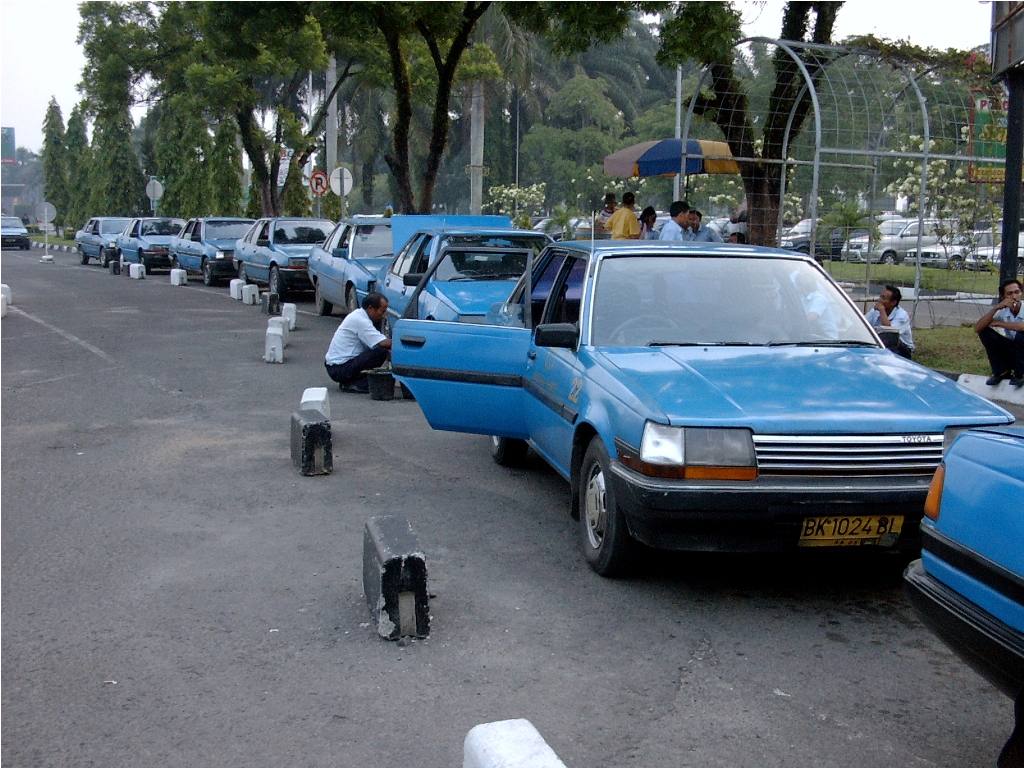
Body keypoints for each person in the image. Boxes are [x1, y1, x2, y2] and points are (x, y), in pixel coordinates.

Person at [324, 292, 393, 393]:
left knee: (380, 350)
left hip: (337, 366)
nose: (383, 315)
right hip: (339, 368)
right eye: (381, 312)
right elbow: (383, 343)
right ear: (370, 308)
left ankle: (355, 380)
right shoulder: (360, 320)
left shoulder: (359, 315)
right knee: (381, 351)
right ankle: (356, 383)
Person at [974, 278, 1024, 386]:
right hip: (1015, 351)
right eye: (1009, 294)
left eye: (1017, 292)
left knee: (1021, 335)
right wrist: (996, 308)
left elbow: (1022, 327)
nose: (1014, 297)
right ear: (1003, 297)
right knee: (985, 332)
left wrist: (1000, 324)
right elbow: (977, 328)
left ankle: (1020, 375)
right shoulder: (1003, 312)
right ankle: (1002, 371)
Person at [864, 284, 914, 359]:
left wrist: (882, 310)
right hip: (882, 344)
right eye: (880, 296)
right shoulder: (875, 311)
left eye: (883, 298)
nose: (880, 300)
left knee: (889, 339)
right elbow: (863, 323)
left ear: (893, 302)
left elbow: (889, 333)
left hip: (902, 350)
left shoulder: (902, 316)